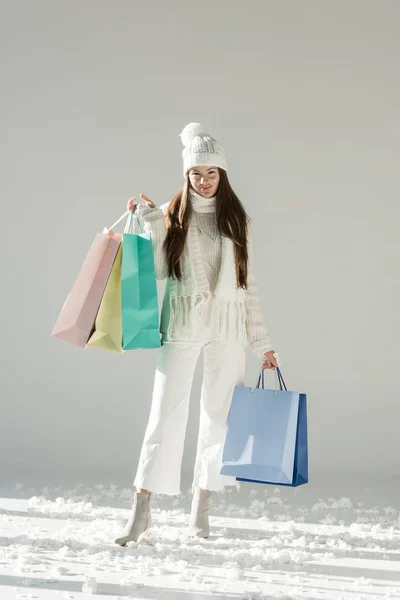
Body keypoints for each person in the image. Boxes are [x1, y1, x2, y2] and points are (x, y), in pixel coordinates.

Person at [110, 123, 279, 545]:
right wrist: (149, 224)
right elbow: (159, 273)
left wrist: (263, 344)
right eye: (195, 173)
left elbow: (248, 285)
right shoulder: (170, 214)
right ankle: (142, 511)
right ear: (185, 175)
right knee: (164, 414)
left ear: (223, 174)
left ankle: (201, 509)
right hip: (182, 323)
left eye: (211, 173)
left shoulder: (239, 221)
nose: (203, 181)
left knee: (219, 418)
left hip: (228, 327)